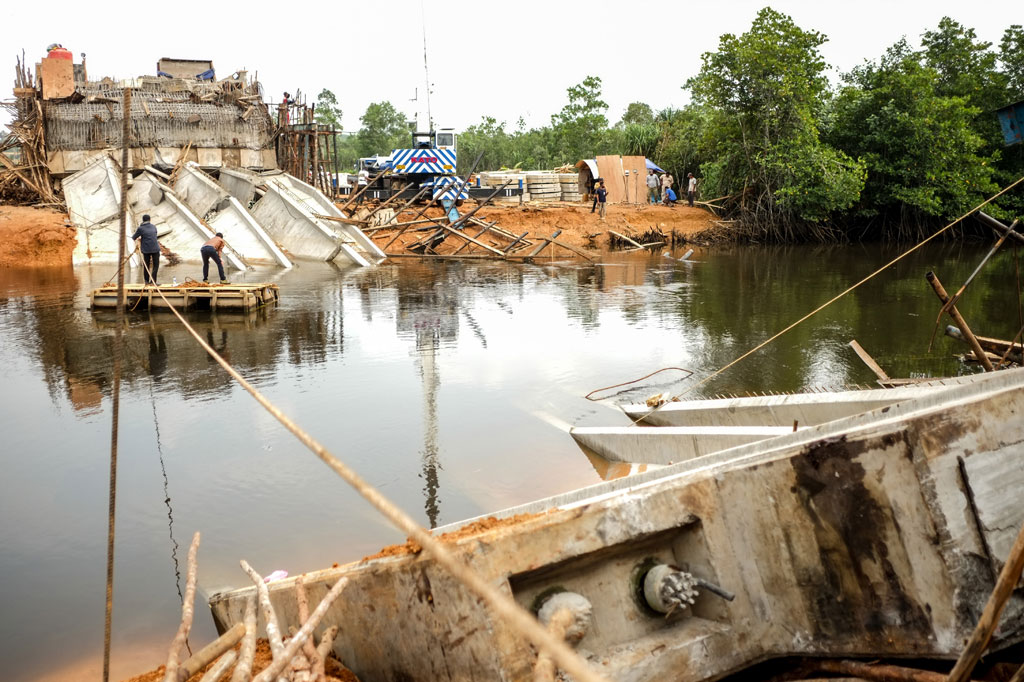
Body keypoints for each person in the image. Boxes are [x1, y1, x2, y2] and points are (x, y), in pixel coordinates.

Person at [131, 214, 160, 285]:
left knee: (146, 266)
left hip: (146, 250)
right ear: (150, 220)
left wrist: (140, 238)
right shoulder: (154, 227)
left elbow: (134, 237)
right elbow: (153, 235)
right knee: (156, 266)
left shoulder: (140, 228)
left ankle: (146, 282)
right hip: (155, 249)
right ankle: (153, 282)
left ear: (143, 220)